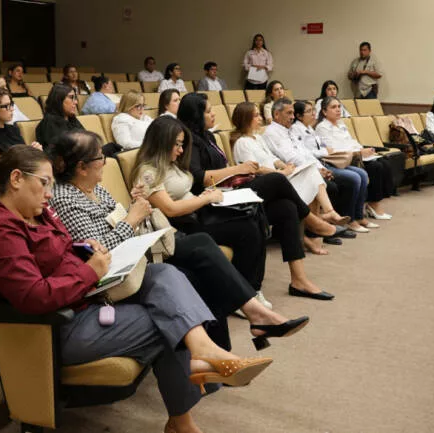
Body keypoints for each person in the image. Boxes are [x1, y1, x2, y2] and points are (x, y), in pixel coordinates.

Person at [0, 145, 273, 433]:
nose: (49, 193)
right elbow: (35, 296)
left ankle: (204, 353)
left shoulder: (34, 211)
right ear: (16, 179)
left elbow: (58, 248)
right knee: (170, 318)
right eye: (44, 183)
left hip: (84, 298)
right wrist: (89, 271)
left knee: (165, 274)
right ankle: (184, 419)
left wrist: (83, 248)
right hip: (57, 328)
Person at [49, 129, 309, 350]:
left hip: (136, 248)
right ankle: (252, 317)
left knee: (204, 265)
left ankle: (228, 347)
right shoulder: (65, 198)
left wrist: (134, 207)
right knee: (201, 247)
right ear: (81, 167)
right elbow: (98, 252)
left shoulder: (94, 187)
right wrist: (132, 218)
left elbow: (113, 222)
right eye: (100, 158)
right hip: (118, 270)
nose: (105, 162)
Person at [138, 112, 337, 303]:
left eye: (181, 144)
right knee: (253, 218)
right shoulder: (148, 172)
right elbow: (171, 209)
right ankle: (250, 290)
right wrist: (205, 199)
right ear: (161, 142)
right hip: (188, 223)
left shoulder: (172, 163)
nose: (181, 150)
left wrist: (207, 196)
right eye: (177, 144)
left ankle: (298, 280)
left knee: (285, 208)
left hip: (204, 208)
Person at [235, 101, 349, 255]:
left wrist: (285, 166)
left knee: (311, 172)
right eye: (256, 115)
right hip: (265, 184)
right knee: (308, 181)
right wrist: (282, 173)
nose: (260, 118)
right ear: (245, 118)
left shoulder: (257, 138)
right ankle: (316, 226)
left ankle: (328, 214)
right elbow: (255, 169)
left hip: (278, 176)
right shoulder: (242, 143)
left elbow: (272, 158)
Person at [315, 96, 394, 231]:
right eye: (333, 107)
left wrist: (362, 149)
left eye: (339, 106)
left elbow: (351, 141)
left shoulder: (341, 124)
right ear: (324, 111)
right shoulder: (322, 127)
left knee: (378, 165)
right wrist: (358, 153)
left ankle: (359, 216)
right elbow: (335, 149)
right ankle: (351, 219)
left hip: (352, 156)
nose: (338, 110)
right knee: (358, 176)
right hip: (336, 161)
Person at [292, 99, 366, 229]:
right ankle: (349, 219)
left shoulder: (309, 128)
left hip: (324, 162)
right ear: (299, 116)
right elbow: (306, 153)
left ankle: (359, 216)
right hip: (318, 164)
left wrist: (325, 151)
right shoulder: (296, 130)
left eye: (313, 110)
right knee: (354, 178)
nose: (313, 113)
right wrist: (325, 152)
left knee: (362, 174)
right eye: (309, 111)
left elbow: (322, 146)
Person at [0, 87, 41, 168]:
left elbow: (23, 157)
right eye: (6, 106)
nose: (12, 109)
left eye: (11, 104)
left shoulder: (13, 129)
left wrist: (34, 153)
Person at [35, 84, 85, 151]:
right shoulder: (49, 121)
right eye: (71, 97)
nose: (76, 102)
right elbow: (60, 150)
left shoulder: (71, 118)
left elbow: (87, 138)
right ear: (59, 100)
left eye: (75, 98)